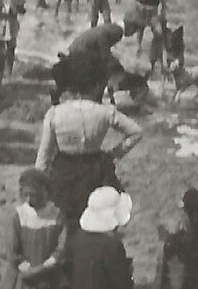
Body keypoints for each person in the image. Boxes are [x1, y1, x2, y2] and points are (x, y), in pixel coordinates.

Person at [34, 65, 142, 223]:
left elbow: (43, 156)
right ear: (97, 86)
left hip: (64, 171)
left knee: (65, 218)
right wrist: (115, 153)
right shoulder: (105, 112)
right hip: (94, 170)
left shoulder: (55, 113)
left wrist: (39, 185)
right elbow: (136, 132)